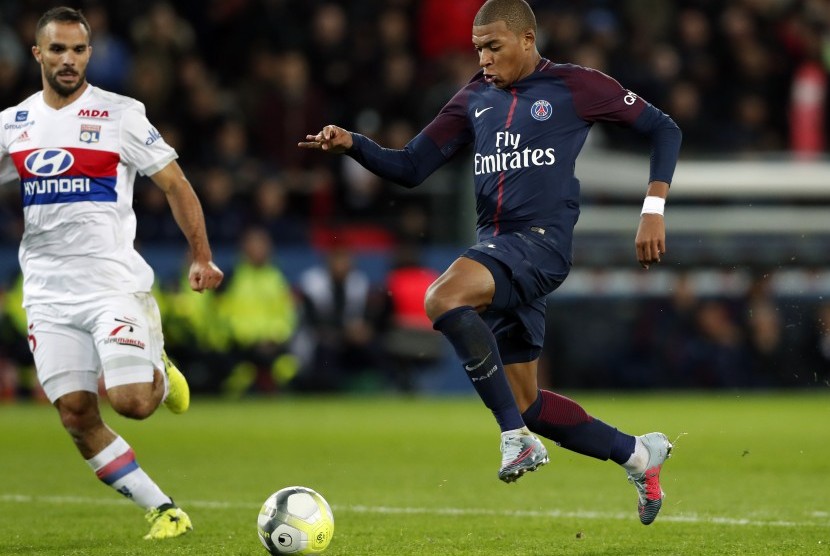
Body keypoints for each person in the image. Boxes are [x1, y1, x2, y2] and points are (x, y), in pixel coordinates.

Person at [299, 0, 681, 525]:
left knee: (443, 297)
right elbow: (411, 167)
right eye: (478, 47)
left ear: (528, 39)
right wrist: (353, 145)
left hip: (539, 243)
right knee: (530, 404)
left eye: (494, 46)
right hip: (500, 249)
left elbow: (664, 129)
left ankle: (512, 439)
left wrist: (653, 210)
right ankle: (640, 455)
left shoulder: (576, 85)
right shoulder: (473, 97)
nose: (483, 58)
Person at [0, 7, 224, 540]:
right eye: (57, 50)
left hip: (112, 286)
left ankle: (157, 364)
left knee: (133, 404)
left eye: (78, 50)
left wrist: (201, 255)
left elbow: (175, 184)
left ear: (90, 54)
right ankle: (164, 509)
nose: (68, 60)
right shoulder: (15, 123)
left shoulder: (120, 115)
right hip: (48, 295)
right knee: (77, 416)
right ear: (38, 54)